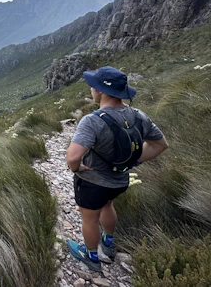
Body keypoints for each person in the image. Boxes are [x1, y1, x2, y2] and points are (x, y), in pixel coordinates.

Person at [65, 66, 168, 271]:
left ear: (102, 91)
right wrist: (134, 161)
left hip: (93, 182)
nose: (91, 89)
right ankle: (109, 243)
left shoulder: (92, 120)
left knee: (90, 218)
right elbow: (160, 144)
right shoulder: (138, 116)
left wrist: (76, 169)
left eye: (93, 86)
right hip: (119, 180)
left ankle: (91, 256)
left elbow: (73, 157)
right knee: (108, 205)